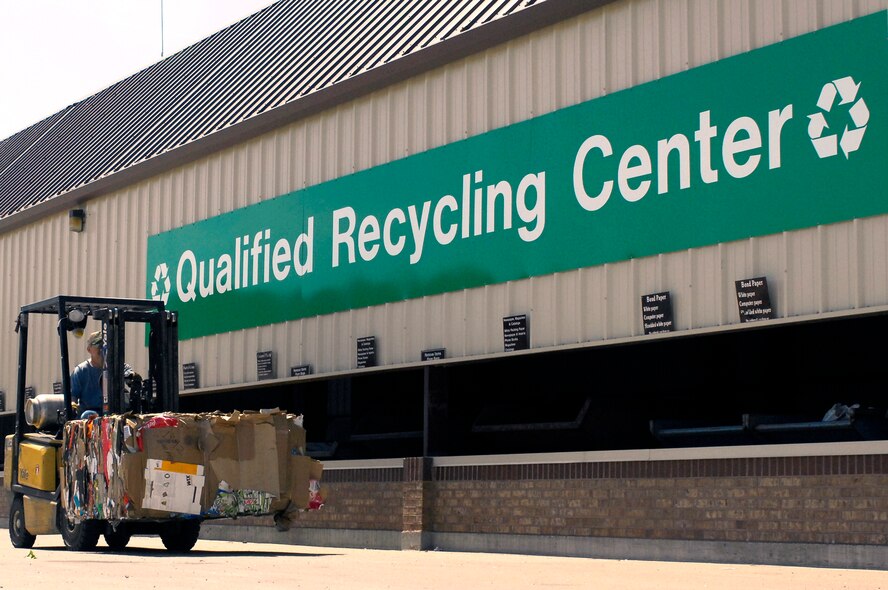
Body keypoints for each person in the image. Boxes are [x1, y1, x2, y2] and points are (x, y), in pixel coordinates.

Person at [71, 330, 104, 416]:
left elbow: (128, 373)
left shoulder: (116, 367)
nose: (101, 348)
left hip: (112, 413)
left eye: (104, 344)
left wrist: (132, 376)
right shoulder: (81, 371)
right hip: (90, 415)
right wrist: (73, 406)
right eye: (98, 344)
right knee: (88, 414)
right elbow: (73, 396)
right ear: (89, 349)